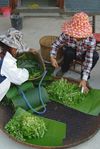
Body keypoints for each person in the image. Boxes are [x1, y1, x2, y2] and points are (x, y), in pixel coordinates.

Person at [50, 12, 99, 93]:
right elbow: (55, 44)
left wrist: (84, 79)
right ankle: (64, 69)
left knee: (95, 56)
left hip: (84, 54)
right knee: (68, 52)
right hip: (72, 52)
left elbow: (88, 61)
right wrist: (52, 57)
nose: (76, 36)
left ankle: (84, 77)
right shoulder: (67, 34)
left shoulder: (90, 40)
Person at [0, 28, 36, 101]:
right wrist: (26, 71)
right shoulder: (6, 60)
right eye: (16, 49)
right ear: (13, 48)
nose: (17, 51)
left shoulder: (3, 47)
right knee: (6, 82)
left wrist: (28, 49)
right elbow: (19, 78)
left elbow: (16, 49)